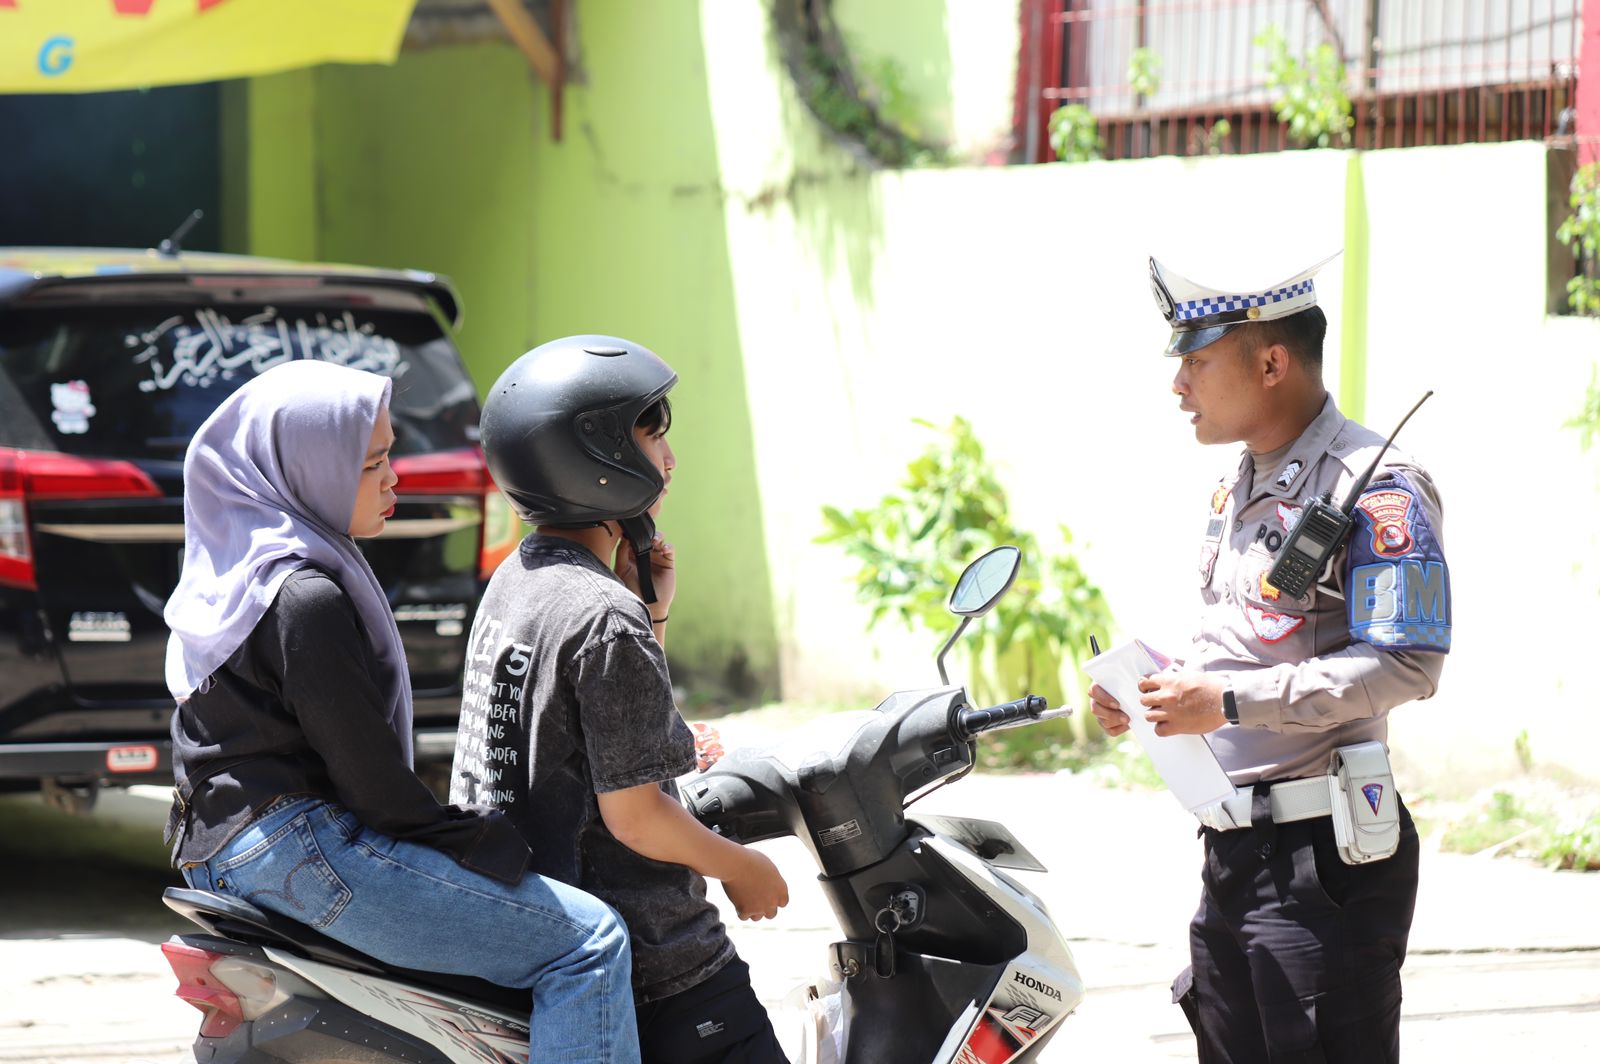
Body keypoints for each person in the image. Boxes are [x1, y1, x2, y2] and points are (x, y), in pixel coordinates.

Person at [163, 358, 640, 1064]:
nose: (394, 479)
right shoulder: (305, 597)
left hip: (220, 847)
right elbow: (375, 786)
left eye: (390, 455)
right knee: (588, 941)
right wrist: (476, 838)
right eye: (371, 463)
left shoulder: (235, 575)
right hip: (300, 851)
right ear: (305, 469)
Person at [1089, 255, 1451, 1063]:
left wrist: (1223, 703)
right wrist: (1148, 688)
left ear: (1272, 363)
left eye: (1196, 360)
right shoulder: (1238, 486)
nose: (1178, 384)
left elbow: (1409, 665)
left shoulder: (1376, 485)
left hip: (1322, 861)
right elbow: (1246, 639)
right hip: (1232, 851)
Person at [451, 335, 791, 1063]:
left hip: (540, 924)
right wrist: (743, 867)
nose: (670, 458)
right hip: (654, 960)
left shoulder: (517, 580)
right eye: (651, 435)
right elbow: (636, 817)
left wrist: (651, 615)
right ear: (594, 455)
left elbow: (596, 735)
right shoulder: (603, 616)